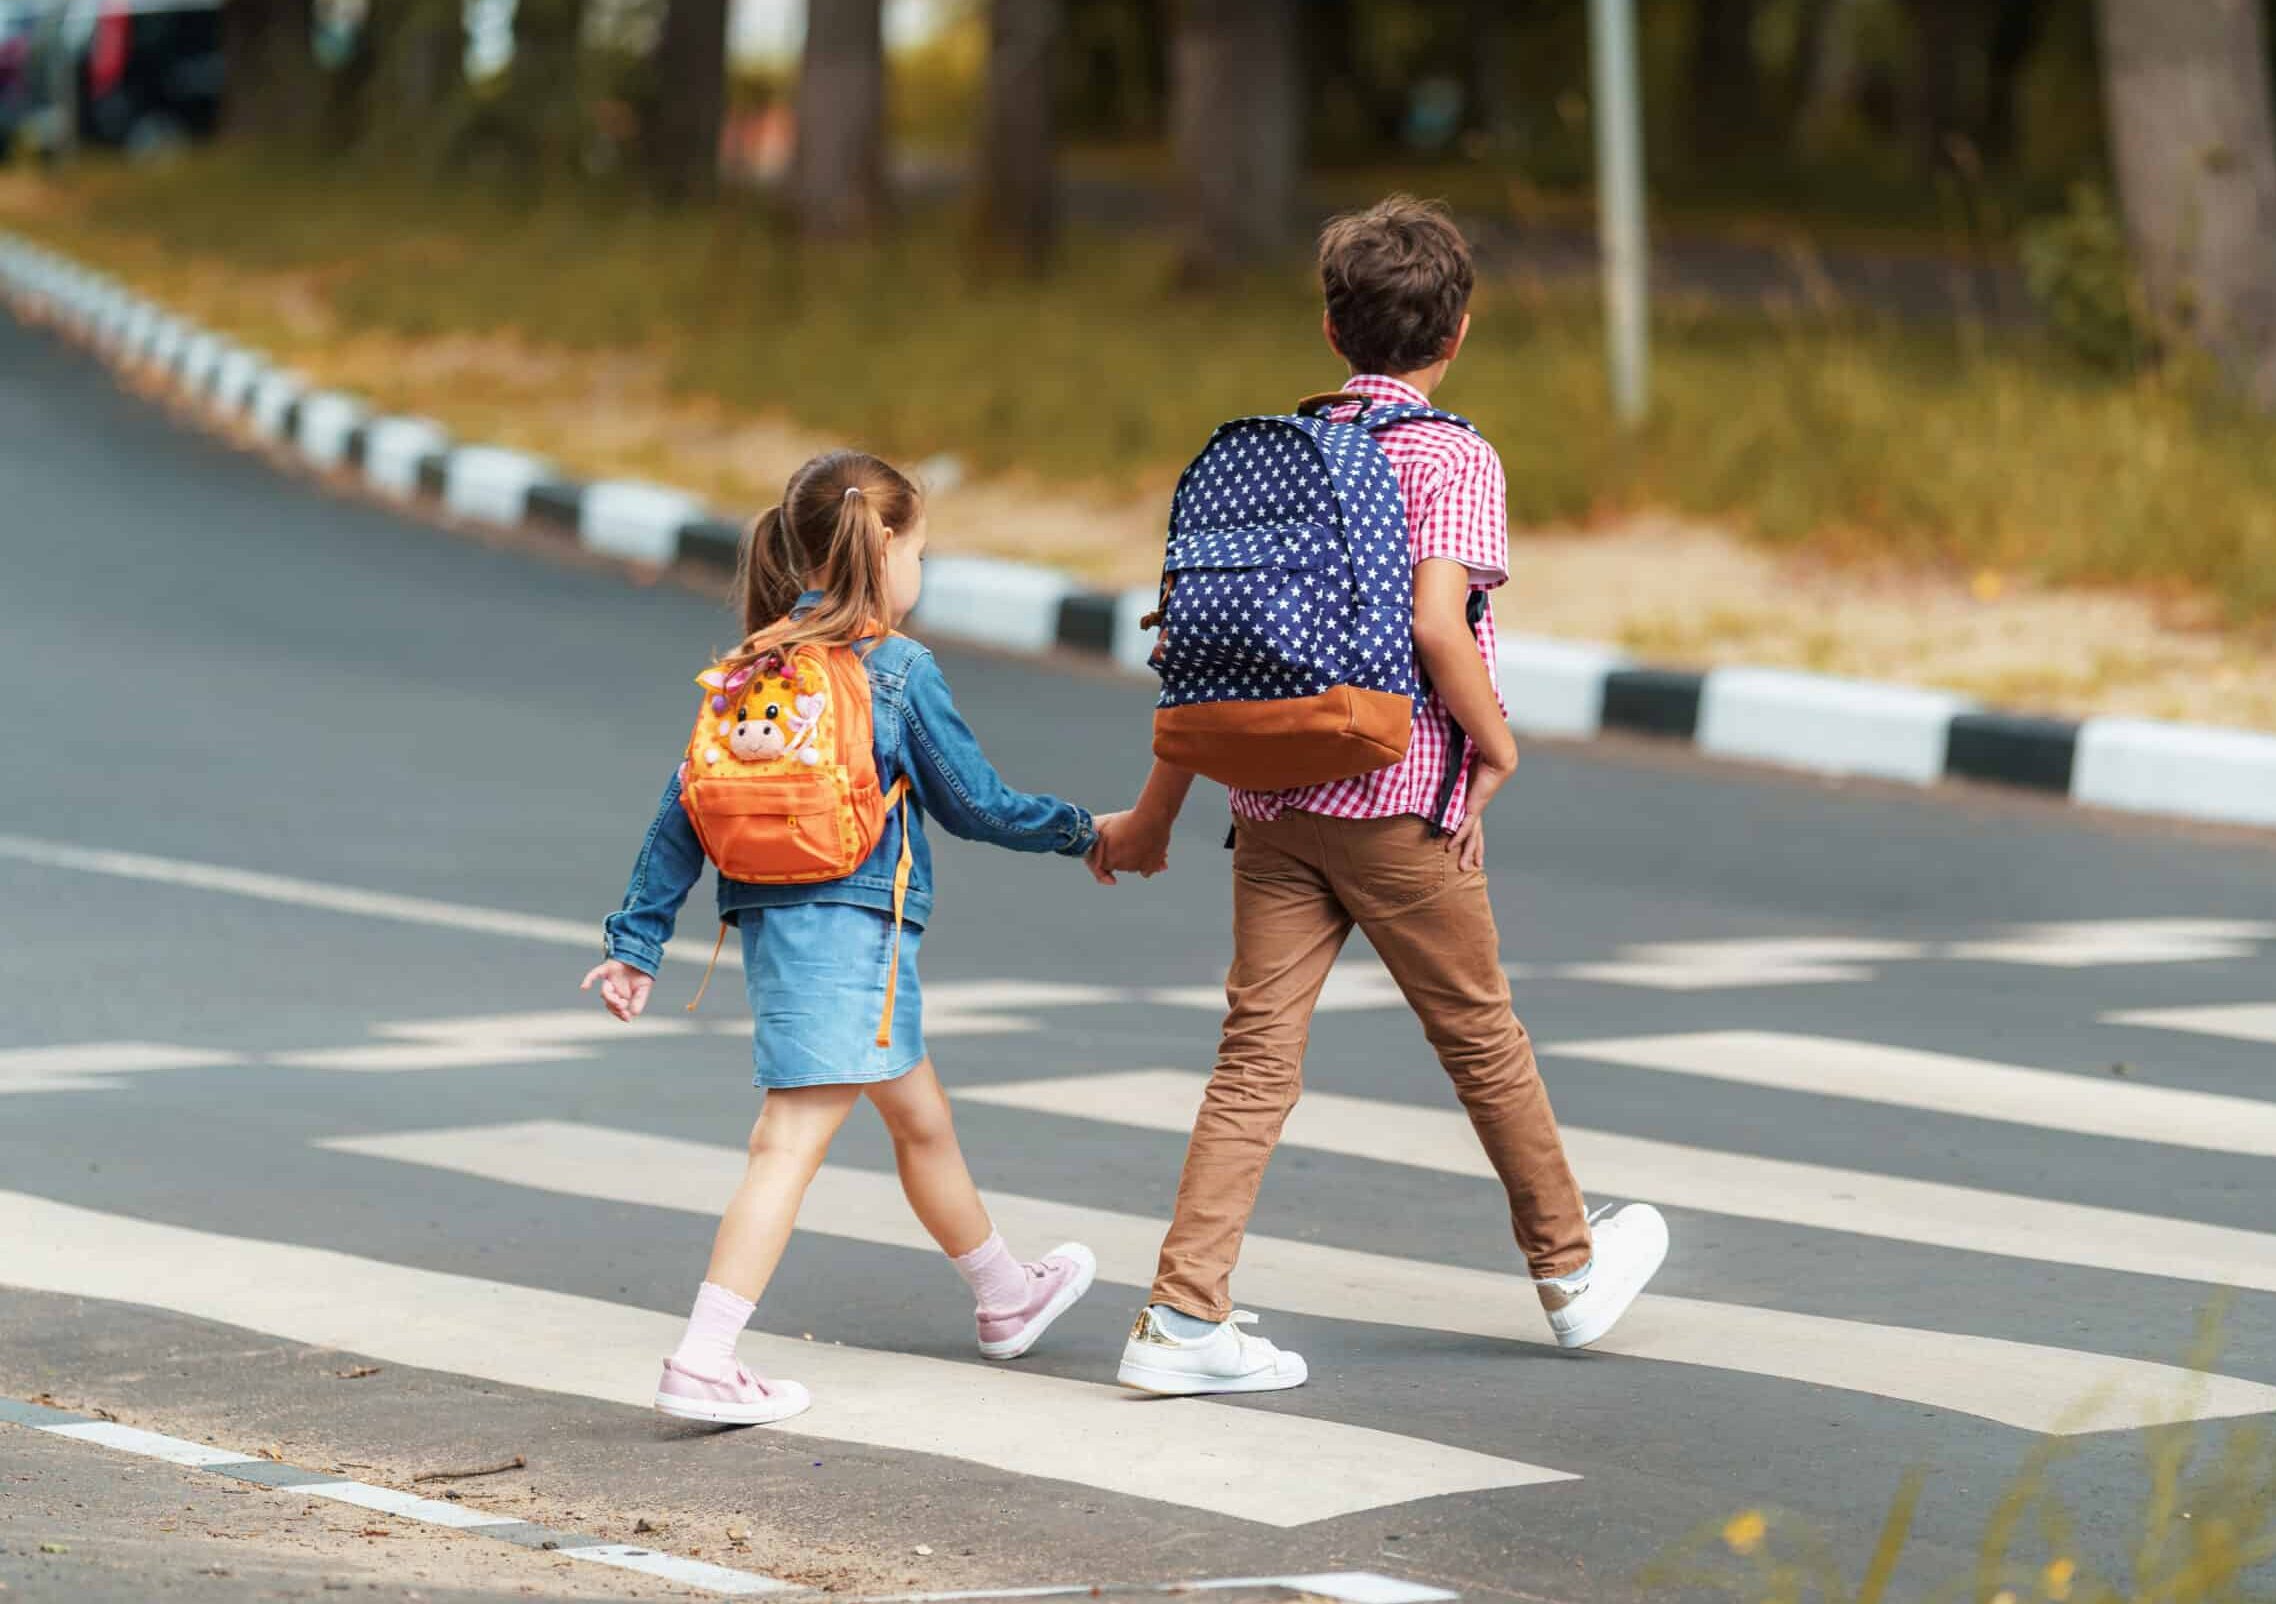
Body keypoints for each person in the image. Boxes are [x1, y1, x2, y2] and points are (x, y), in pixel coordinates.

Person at [1091, 195, 1669, 1396]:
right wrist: (1497, 746)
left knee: (1254, 1060)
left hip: (1273, 806)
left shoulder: (1276, 451)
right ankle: (1570, 1271)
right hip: (1402, 804)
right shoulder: (1452, 455)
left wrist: (1157, 812)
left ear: (1329, 327)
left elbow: (1209, 658)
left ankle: (1182, 1317)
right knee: (1482, 1039)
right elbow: (1438, 626)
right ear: (1459, 330)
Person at [586, 449, 1111, 1425]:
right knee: (785, 1142)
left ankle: (1005, 1294)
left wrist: (637, 940)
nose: (921, 571)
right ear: (889, 547)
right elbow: (978, 805)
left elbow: (684, 805)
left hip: (783, 928)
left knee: (921, 1118)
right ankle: (704, 1359)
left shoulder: (755, 661)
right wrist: (1086, 832)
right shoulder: (896, 668)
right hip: (852, 930)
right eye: (921, 552)